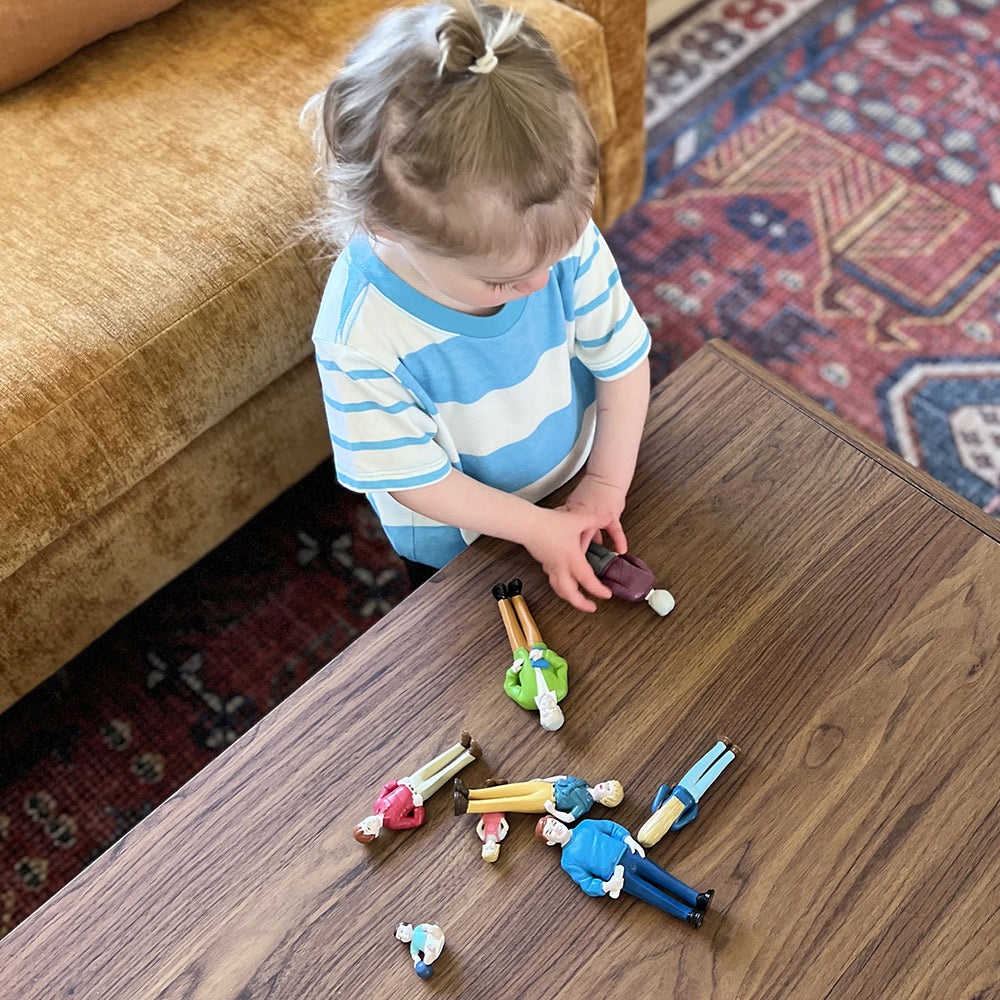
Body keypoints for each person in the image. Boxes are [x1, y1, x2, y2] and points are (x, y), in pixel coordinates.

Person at [304, 0, 651, 609]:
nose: (542, 284)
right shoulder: (359, 338)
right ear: (385, 228)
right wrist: (536, 528)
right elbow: (417, 479)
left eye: (555, 257)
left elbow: (621, 360)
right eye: (502, 282)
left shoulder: (550, 245)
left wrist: (603, 482)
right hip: (455, 540)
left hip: (578, 467)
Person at [536, 817, 714, 928]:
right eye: (550, 832)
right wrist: (606, 886)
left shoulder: (586, 825)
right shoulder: (567, 860)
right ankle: (688, 915)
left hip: (629, 854)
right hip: (618, 876)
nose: (556, 828)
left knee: (662, 876)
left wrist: (628, 839)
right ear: (551, 842)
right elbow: (586, 883)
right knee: (651, 895)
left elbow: (611, 828)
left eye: (553, 823)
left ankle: (696, 898)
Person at [354, 731, 481, 842]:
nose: (369, 822)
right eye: (369, 828)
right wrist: (418, 805)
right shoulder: (393, 823)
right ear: (375, 834)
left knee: (434, 765)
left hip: (409, 782)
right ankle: (470, 756)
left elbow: (386, 788)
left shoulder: (377, 805)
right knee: (443, 775)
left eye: (364, 823)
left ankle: (461, 746)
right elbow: (416, 821)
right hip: (420, 793)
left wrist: (398, 783)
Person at [494, 579, 568, 729]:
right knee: (529, 623)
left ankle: (502, 600)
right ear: (559, 709)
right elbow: (562, 666)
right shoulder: (561, 690)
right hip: (539, 649)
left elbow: (509, 686)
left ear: (541, 717)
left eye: (546, 714)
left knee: (512, 627)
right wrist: (546, 656)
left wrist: (513, 671)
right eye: (553, 711)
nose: (548, 709)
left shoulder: (527, 701)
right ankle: (516, 596)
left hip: (520, 655)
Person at [455, 774, 623, 822]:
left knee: (509, 802)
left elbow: (570, 818)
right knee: (509, 789)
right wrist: (544, 780)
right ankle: (471, 793)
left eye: (608, 789)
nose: (604, 785)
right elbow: (562, 778)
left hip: (547, 801)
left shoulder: (585, 805)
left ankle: (468, 807)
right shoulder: (583, 783)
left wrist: (552, 810)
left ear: (605, 801)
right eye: (607, 783)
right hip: (545, 787)